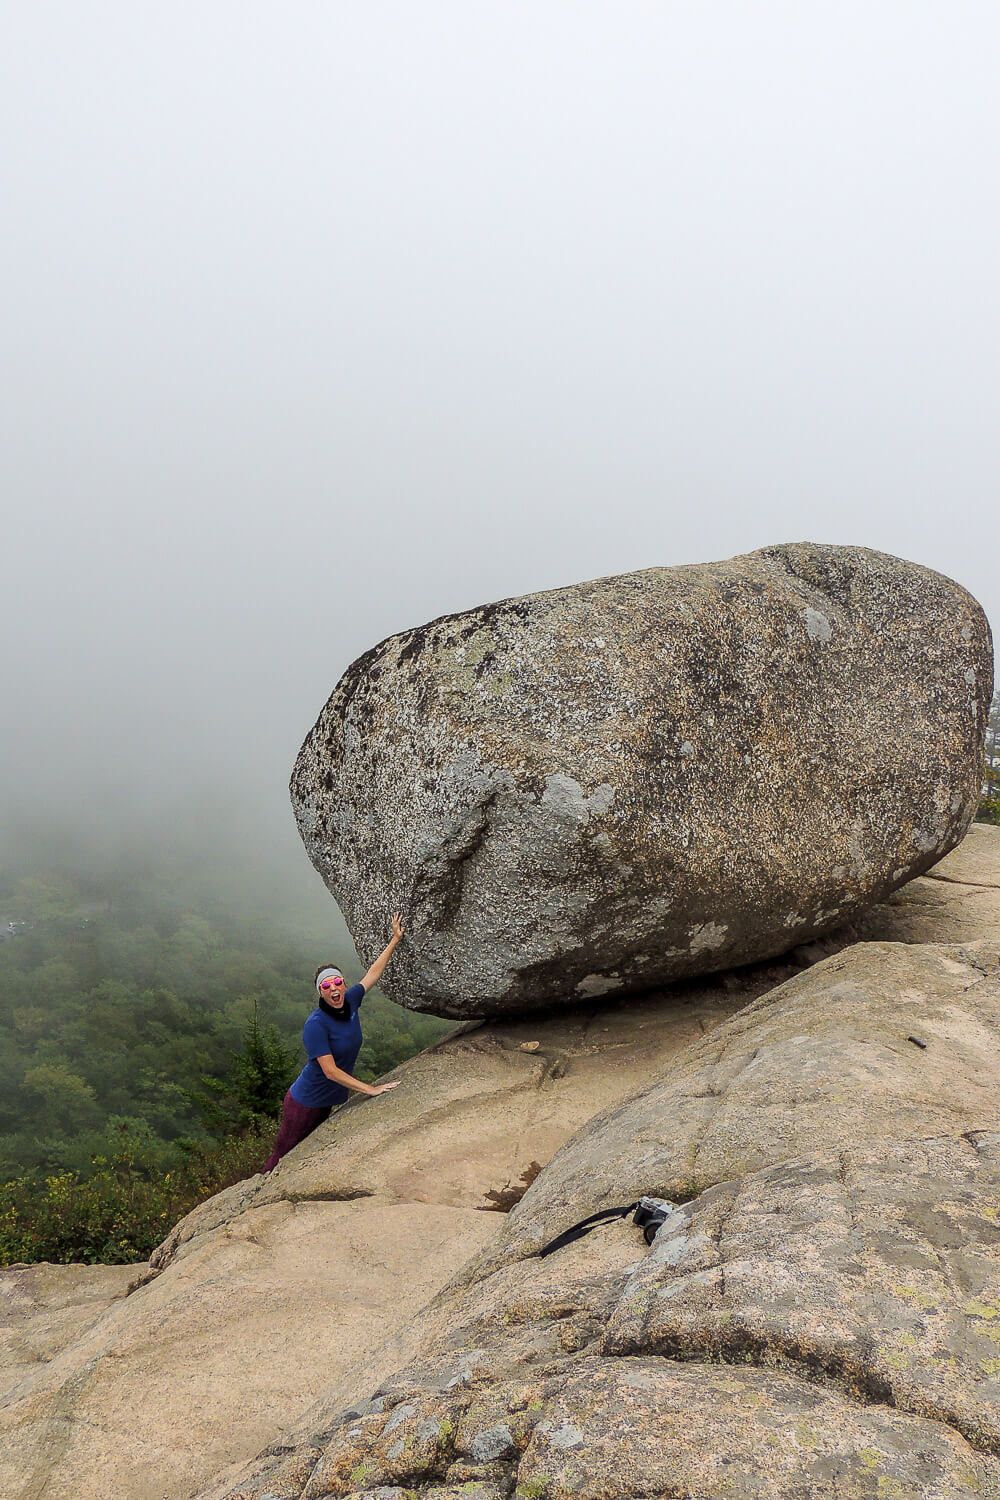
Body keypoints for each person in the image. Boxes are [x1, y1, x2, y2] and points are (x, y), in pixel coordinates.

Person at [262, 912, 405, 1172]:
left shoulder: (350, 999)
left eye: (337, 982)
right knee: (282, 1158)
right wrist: (369, 1089)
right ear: (320, 992)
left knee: (306, 1159)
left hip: (325, 1101)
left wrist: (395, 940)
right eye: (326, 986)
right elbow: (329, 1071)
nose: (334, 989)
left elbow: (373, 973)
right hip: (304, 1102)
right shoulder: (315, 1024)